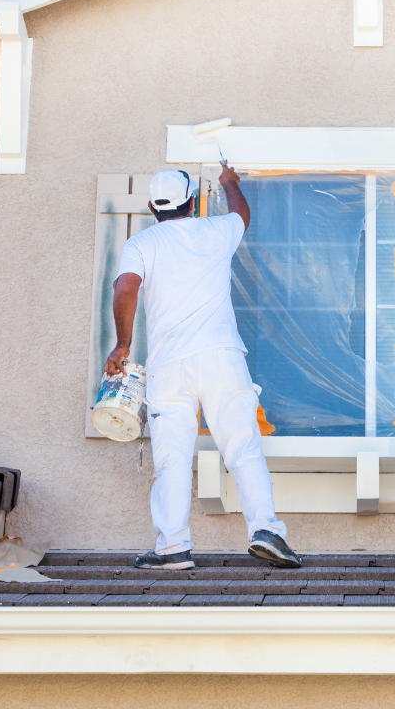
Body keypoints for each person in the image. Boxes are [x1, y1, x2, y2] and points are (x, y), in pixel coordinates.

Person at [104, 163, 301, 570]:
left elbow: (126, 287)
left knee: (172, 458)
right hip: (221, 359)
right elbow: (241, 215)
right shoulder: (215, 231)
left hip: (169, 367)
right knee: (243, 447)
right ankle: (267, 532)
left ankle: (173, 548)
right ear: (192, 203)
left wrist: (122, 345)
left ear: (150, 208)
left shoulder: (141, 244)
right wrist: (230, 184)